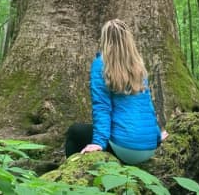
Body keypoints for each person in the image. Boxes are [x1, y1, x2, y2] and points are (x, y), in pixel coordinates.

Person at [65, 19, 167, 165]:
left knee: (74, 132)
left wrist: (99, 142)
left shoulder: (101, 65)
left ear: (105, 40)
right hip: (150, 146)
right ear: (129, 40)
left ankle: (71, 178)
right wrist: (156, 136)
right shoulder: (138, 66)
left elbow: (102, 108)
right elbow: (147, 107)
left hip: (126, 149)